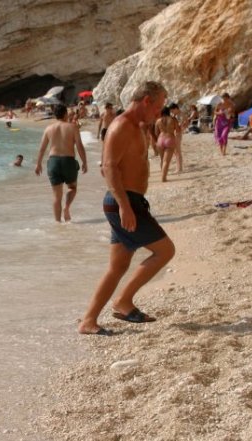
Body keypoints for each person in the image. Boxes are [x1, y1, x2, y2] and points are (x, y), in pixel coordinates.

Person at [78, 81, 175, 336]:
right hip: (124, 203)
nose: (159, 113)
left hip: (129, 201)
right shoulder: (121, 125)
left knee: (118, 266)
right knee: (165, 251)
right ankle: (123, 301)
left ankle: (88, 321)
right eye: (158, 106)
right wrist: (124, 206)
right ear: (146, 101)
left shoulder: (137, 126)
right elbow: (109, 167)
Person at [34, 104, 88, 222]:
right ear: (65, 114)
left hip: (53, 162)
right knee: (72, 188)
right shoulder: (72, 127)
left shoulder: (48, 129)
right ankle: (67, 208)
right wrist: (84, 162)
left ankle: (58, 224)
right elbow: (79, 146)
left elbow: (42, 148)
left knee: (56, 197)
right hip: (68, 161)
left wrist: (38, 164)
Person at [154, 106, 179, 182]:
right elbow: (177, 130)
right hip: (170, 138)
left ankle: (162, 175)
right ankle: (163, 178)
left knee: (162, 160)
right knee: (166, 161)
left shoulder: (158, 121)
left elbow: (156, 132)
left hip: (160, 139)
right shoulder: (173, 119)